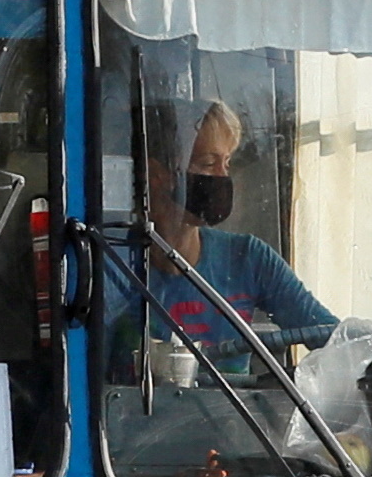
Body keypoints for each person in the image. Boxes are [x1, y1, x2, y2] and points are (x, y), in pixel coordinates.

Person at [133, 98, 333, 362]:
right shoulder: (113, 263)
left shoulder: (248, 257)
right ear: (156, 175)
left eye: (226, 163)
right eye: (207, 164)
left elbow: (327, 335)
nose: (222, 177)